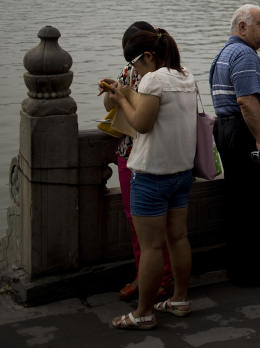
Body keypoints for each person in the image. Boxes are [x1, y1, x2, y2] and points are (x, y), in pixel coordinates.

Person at [101, 26, 196, 329]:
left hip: (152, 173)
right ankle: (180, 299)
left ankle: (143, 313)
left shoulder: (153, 80)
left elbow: (141, 124)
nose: (135, 70)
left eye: (136, 64)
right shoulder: (186, 75)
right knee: (179, 238)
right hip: (181, 171)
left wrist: (120, 97)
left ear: (149, 56)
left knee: (151, 248)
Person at [209, 4, 260, 287]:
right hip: (248, 134)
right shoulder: (243, 54)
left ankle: (242, 267)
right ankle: (253, 270)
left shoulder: (224, 54)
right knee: (258, 201)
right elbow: (246, 100)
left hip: (232, 130)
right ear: (242, 27)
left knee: (241, 200)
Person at [107, 21, 173, 302]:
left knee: (166, 224)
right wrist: (112, 96)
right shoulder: (127, 72)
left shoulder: (168, 76)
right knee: (135, 221)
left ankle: (165, 278)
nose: (132, 62)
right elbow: (112, 107)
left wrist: (124, 100)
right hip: (128, 152)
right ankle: (143, 275)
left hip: (158, 154)